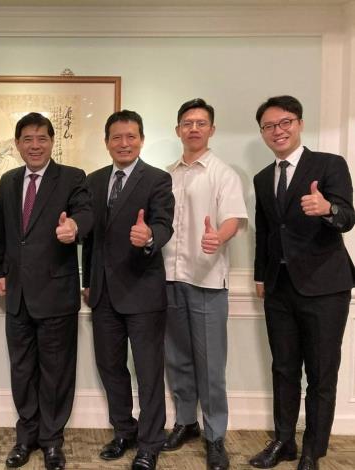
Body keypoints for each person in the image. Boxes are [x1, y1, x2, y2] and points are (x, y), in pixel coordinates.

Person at [250, 95, 354, 470]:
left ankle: (313, 449)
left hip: (326, 287)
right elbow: (264, 231)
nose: (277, 131)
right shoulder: (263, 177)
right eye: (269, 126)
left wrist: (328, 210)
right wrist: (261, 275)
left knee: (322, 373)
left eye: (285, 122)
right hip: (279, 288)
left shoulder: (329, 165)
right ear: (262, 132)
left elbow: (348, 216)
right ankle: (284, 442)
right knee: (284, 369)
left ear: (299, 124)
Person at [0, 112, 93, 470]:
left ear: (52, 142)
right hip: (16, 293)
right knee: (22, 370)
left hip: (55, 293)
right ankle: (26, 437)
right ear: (18, 144)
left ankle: (52, 440)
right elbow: (3, 232)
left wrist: (75, 228)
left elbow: (86, 213)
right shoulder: (9, 180)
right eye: (28, 139)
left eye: (42, 139)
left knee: (55, 372)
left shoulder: (71, 177)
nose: (35, 146)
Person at [82, 109, 175, 470]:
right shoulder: (93, 180)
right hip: (103, 292)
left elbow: (164, 223)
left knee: (149, 371)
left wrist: (149, 235)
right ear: (106, 142)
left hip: (143, 291)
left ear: (141, 140)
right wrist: (87, 282)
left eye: (131, 136)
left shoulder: (157, 179)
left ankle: (151, 443)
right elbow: (90, 239)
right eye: (116, 137)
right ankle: (124, 430)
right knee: (110, 366)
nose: (124, 143)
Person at [161, 98, 248, 470]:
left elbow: (234, 218)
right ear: (177, 129)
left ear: (211, 129)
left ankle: (216, 436)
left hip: (207, 281)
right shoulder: (167, 174)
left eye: (201, 123)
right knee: (177, 360)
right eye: (187, 123)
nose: (193, 128)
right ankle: (186, 422)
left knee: (211, 366)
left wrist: (219, 238)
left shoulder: (223, 173)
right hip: (168, 277)